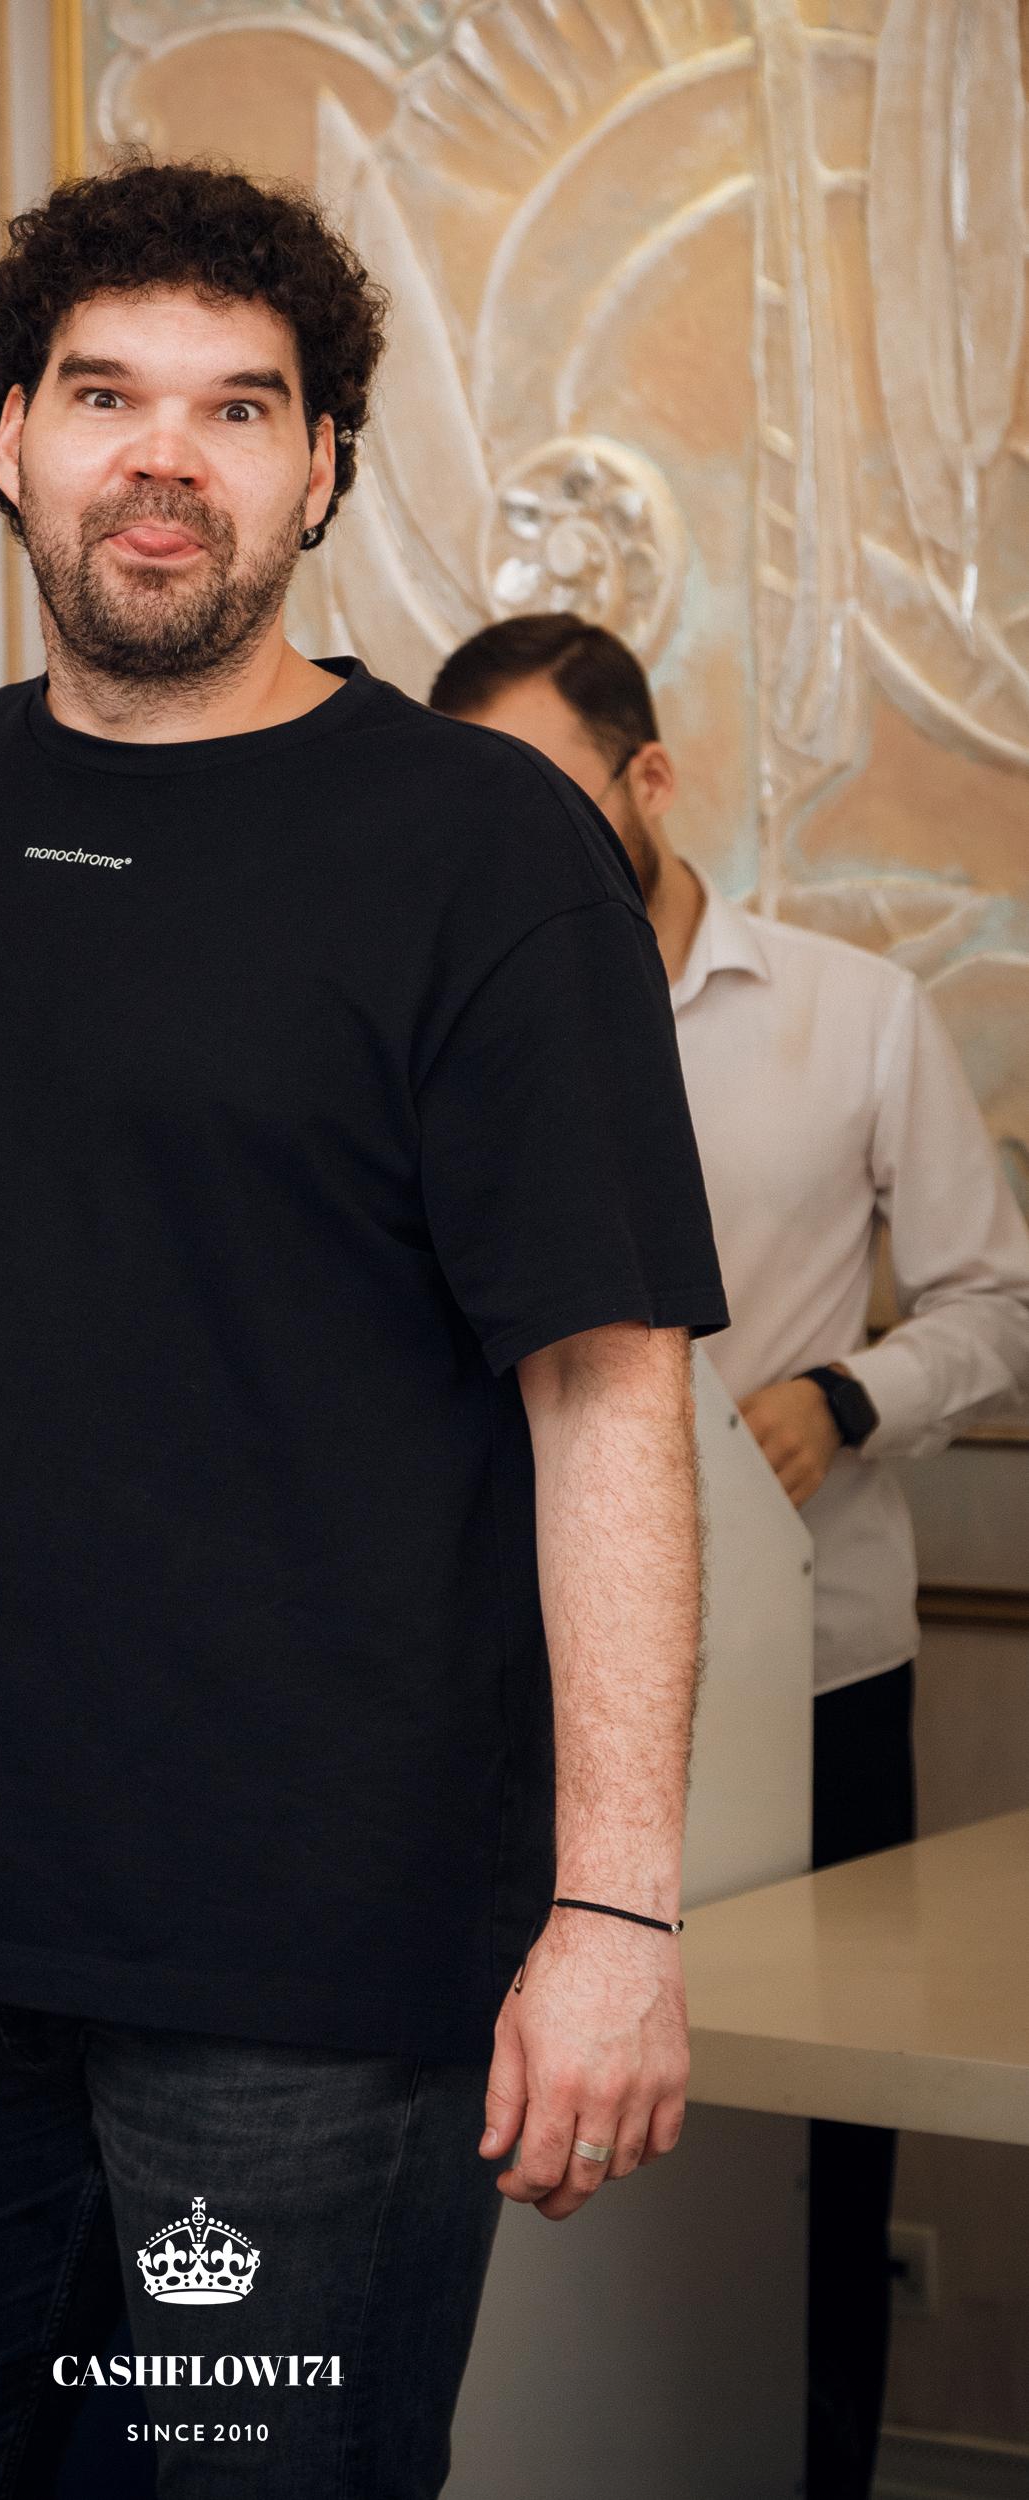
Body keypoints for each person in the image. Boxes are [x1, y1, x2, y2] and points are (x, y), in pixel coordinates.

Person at [0, 161, 727, 2499]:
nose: (167, 457)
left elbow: (608, 1387)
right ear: (9, 441)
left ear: (322, 466)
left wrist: (614, 1911)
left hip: (309, 1968)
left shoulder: (483, 850)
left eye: (239, 407)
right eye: (104, 395)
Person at [431, 611, 1029, 2500]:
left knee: (809, 2149)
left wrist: (846, 1401)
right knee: (523, 2124)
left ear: (652, 776)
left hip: (818, 1661)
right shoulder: (447, 1014)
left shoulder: (856, 1013)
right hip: (521, 1684)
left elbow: (1001, 1299)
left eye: (549, 790)